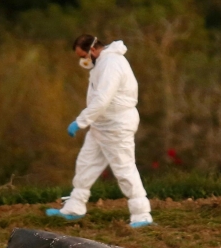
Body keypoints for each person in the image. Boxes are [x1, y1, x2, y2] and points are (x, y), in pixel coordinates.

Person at [46, 34, 153, 228]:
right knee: (86, 163)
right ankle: (74, 206)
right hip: (101, 125)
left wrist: (81, 121)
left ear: (93, 50)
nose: (83, 60)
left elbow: (103, 99)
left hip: (116, 126)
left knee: (124, 168)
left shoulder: (111, 64)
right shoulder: (102, 64)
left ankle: (142, 213)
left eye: (83, 55)